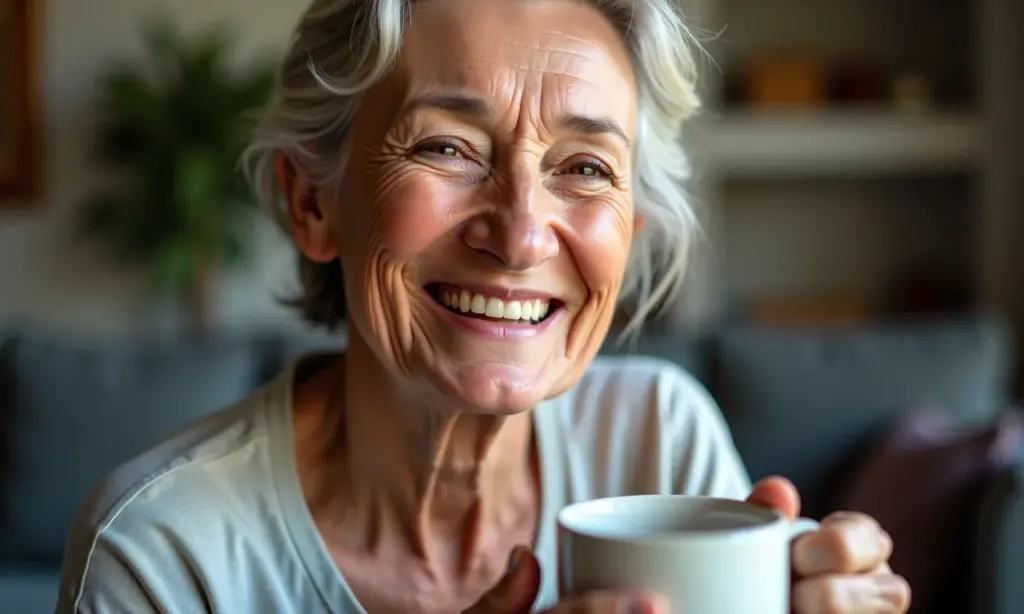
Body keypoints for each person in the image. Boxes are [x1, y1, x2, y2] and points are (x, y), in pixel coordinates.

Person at [57, 0, 912, 612]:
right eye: (447, 147)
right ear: (313, 203)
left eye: (585, 167)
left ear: (630, 230)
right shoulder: (162, 552)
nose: (521, 236)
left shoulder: (660, 442)